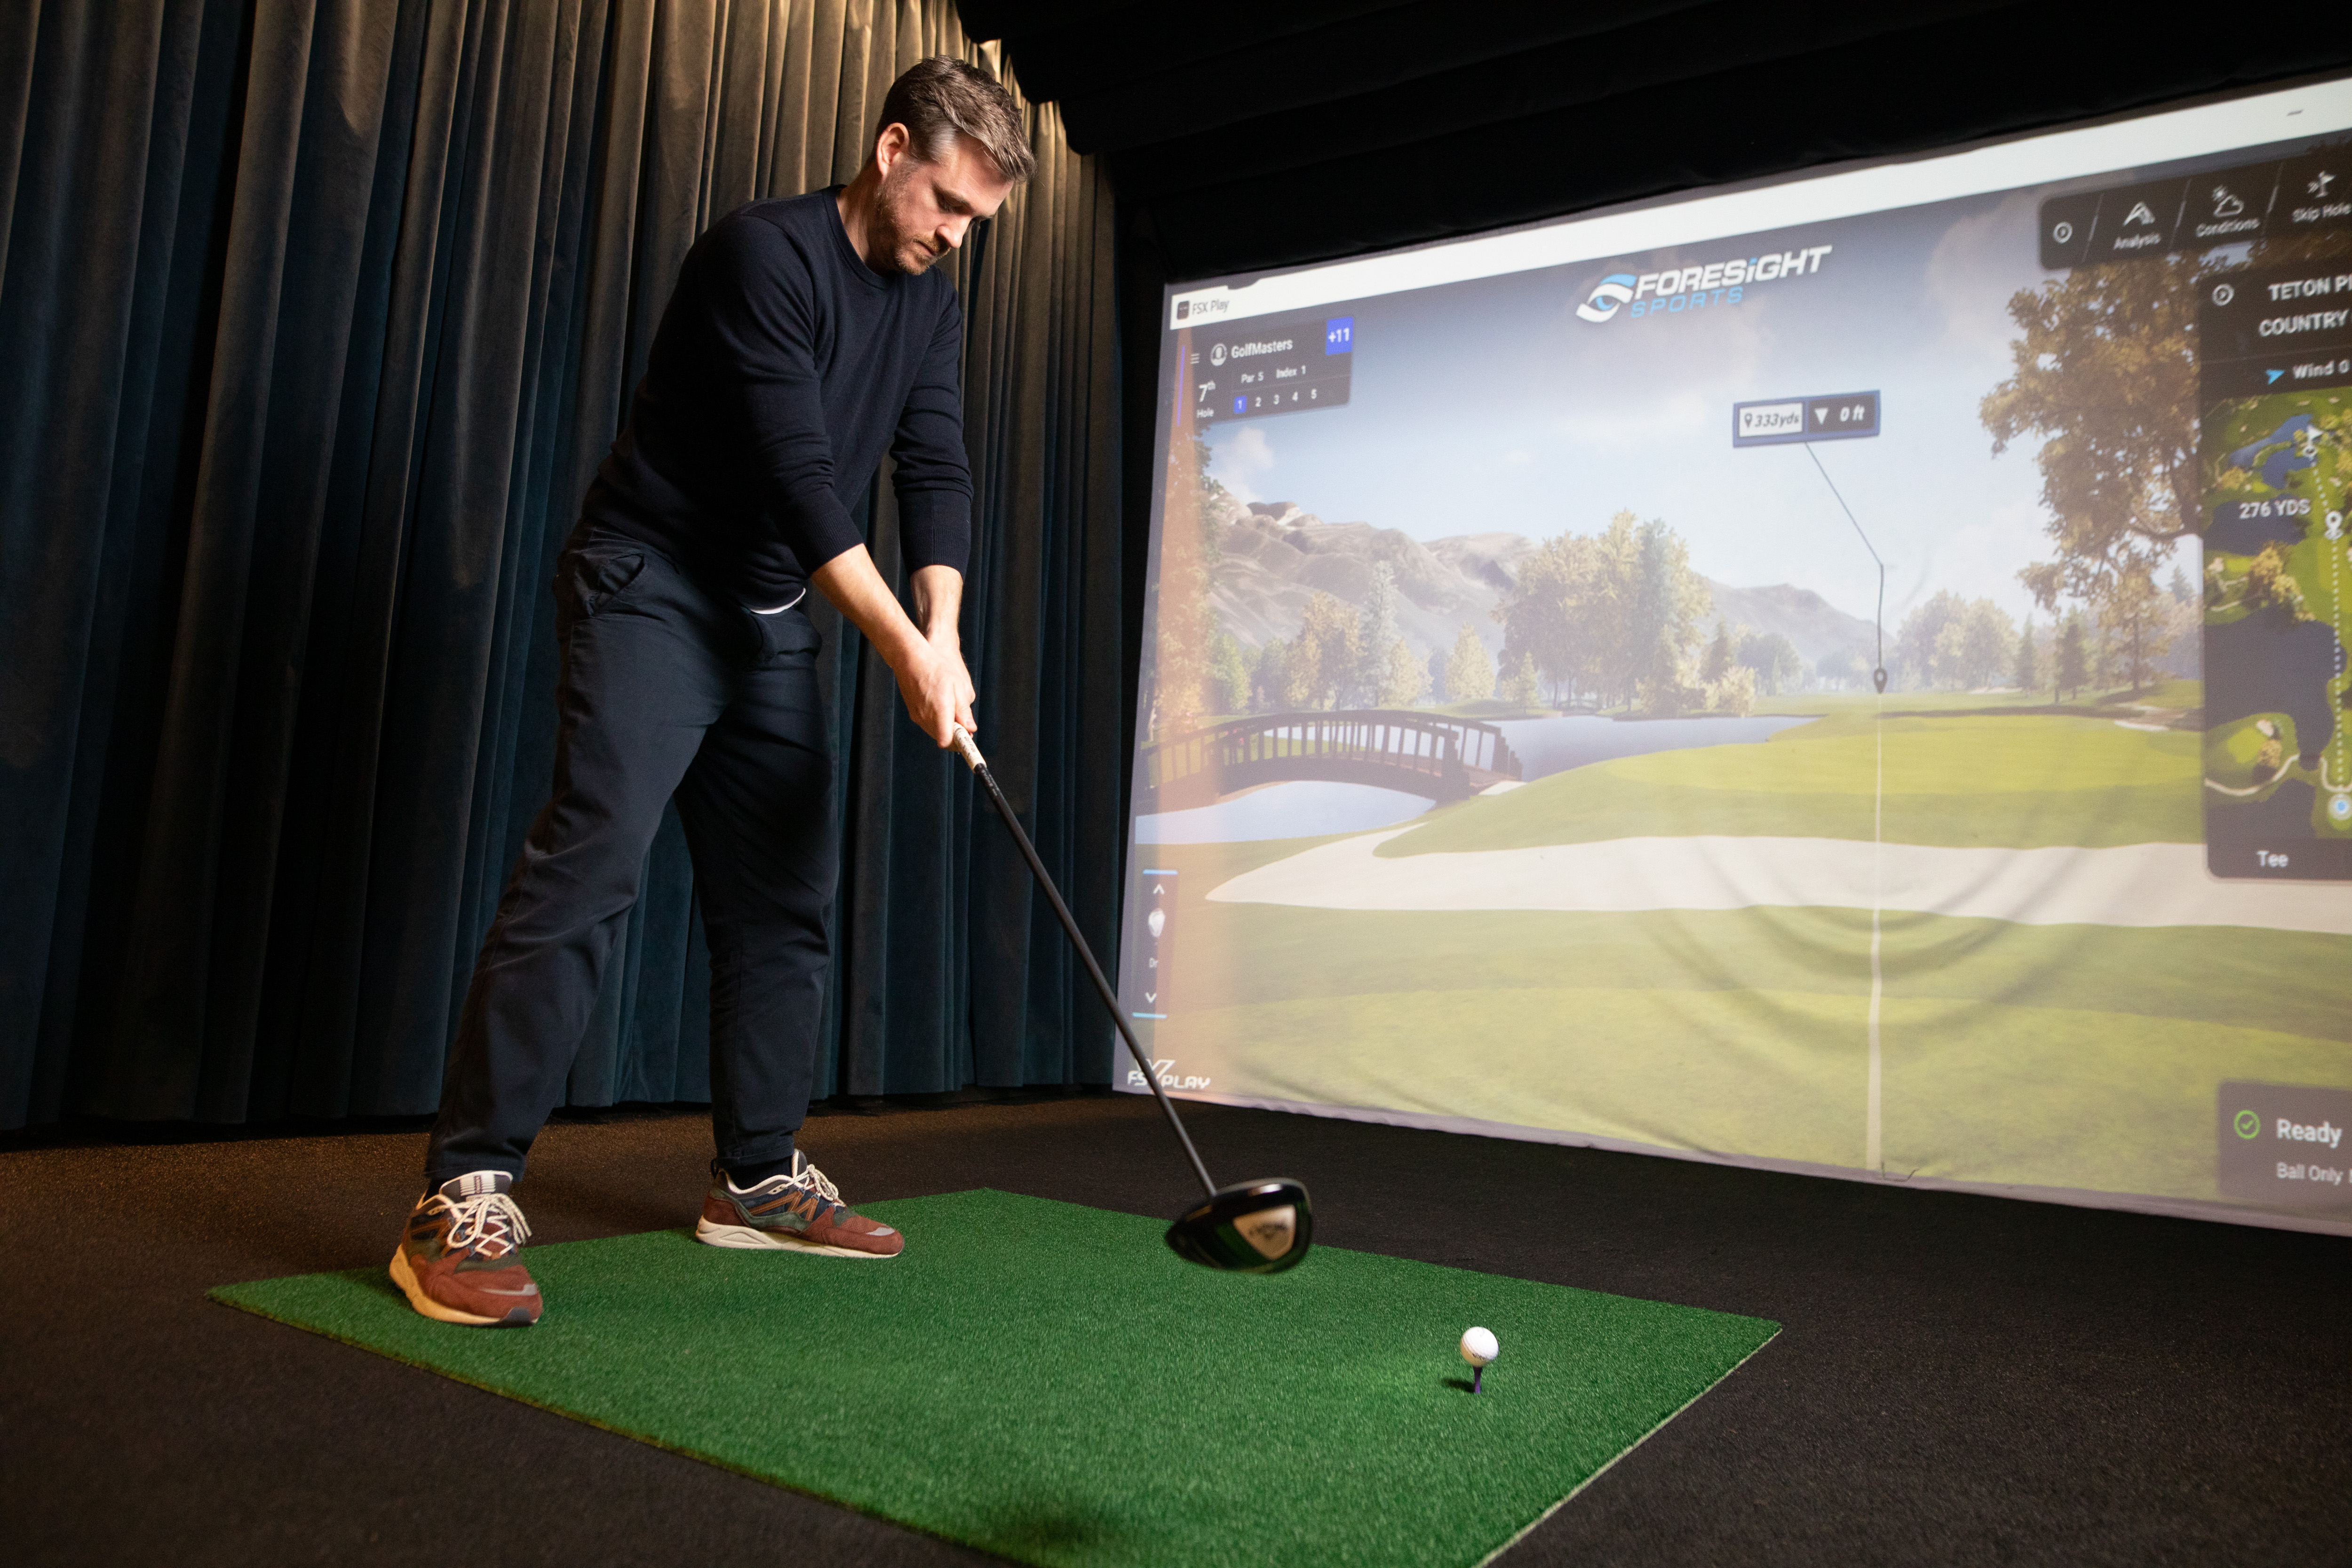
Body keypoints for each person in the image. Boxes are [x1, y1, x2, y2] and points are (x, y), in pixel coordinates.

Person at [390, 57, 1034, 1326]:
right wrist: (903, 651)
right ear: (892, 151)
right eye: (949, 205)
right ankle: (462, 1194)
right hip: (653, 582)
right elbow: (803, 484)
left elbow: (935, 463)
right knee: (590, 867)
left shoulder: (929, 300)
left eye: (979, 222)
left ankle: (757, 1179)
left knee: (785, 898)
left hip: (770, 614)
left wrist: (946, 634)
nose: (957, 237)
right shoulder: (762, 256)